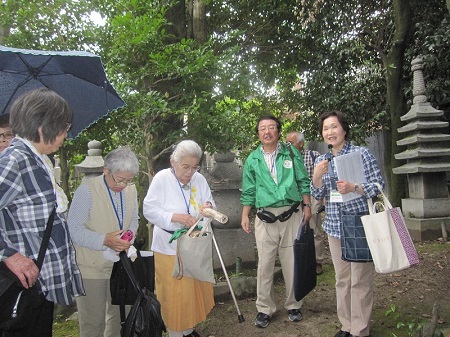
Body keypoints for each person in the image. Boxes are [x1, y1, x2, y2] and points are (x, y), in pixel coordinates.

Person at [0, 88, 84, 337]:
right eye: (64, 127)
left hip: (38, 283)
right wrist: (9, 255)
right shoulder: (15, 161)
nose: (65, 134)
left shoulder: (38, 160)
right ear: (43, 127)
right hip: (21, 283)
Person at [310, 110, 385, 337]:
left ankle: (360, 330)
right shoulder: (322, 160)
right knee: (342, 279)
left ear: (344, 128)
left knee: (360, 279)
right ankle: (346, 325)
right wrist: (316, 176)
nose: (330, 132)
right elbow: (317, 193)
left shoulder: (361, 153)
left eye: (334, 126)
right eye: (325, 128)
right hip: (334, 226)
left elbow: (379, 186)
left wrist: (354, 187)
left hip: (359, 224)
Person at [240, 115, 312, 328]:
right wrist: (245, 214)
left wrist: (307, 206)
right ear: (258, 134)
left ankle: (294, 304)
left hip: (291, 213)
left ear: (279, 131)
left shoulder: (290, 153)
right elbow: (249, 190)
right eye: (263, 128)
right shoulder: (252, 159)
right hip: (265, 217)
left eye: (272, 127)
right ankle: (265, 308)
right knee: (264, 265)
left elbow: (302, 180)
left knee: (291, 262)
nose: (267, 131)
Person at [143, 140, 216, 337]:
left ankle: (188, 329)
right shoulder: (161, 179)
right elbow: (148, 210)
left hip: (194, 246)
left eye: (195, 167)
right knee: (173, 295)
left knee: (191, 291)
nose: (190, 172)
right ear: (173, 162)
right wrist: (174, 217)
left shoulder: (199, 179)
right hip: (169, 247)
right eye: (186, 167)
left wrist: (208, 208)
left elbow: (211, 204)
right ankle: (176, 332)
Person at [67, 146, 140, 337]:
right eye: (120, 179)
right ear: (106, 171)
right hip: (91, 265)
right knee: (93, 322)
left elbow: (134, 220)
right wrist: (104, 240)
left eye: (128, 180)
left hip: (120, 265)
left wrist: (127, 237)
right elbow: (74, 229)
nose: (123, 185)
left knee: (118, 318)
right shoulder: (87, 191)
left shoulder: (130, 191)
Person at [286, 131, 325, 275]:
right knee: (295, 230)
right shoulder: (285, 158)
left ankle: (317, 261)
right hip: (293, 199)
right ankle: (300, 261)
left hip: (312, 196)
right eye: (286, 143)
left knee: (314, 229)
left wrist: (322, 197)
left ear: (301, 144)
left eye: (291, 143)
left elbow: (323, 177)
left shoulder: (314, 156)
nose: (288, 145)